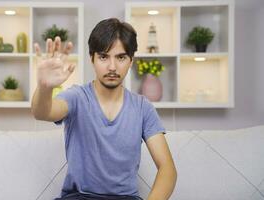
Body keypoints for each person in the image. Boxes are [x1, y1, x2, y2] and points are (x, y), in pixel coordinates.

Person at [31, 18, 177, 200]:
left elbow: (167, 169)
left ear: (131, 60)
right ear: (92, 58)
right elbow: (42, 112)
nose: (112, 67)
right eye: (103, 56)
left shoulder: (143, 108)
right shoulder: (77, 97)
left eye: (121, 57)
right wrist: (45, 87)